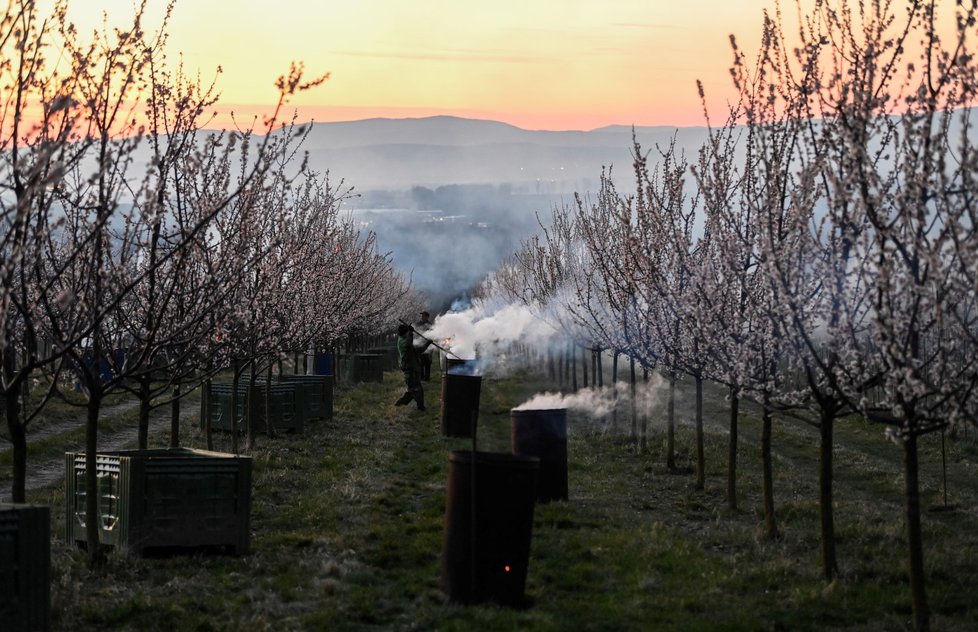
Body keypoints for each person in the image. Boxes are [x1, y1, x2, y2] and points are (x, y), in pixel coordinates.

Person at [395, 323, 431, 410]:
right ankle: (420, 407)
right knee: (417, 389)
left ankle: (401, 403)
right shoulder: (401, 341)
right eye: (408, 332)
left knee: (413, 390)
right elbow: (408, 344)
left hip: (413, 368)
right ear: (406, 332)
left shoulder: (408, 341)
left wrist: (427, 343)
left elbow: (420, 350)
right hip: (409, 368)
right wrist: (411, 333)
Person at [416, 311, 433, 381]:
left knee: (428, 362)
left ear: (427, 317)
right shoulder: (418, 324)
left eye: (423, 316)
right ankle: (421, 377)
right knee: (421, 362)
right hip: (420, 345)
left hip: (428, 345)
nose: (422, 317)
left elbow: (433, 335)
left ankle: (427, 378)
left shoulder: (430, 325)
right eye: (422, 316)